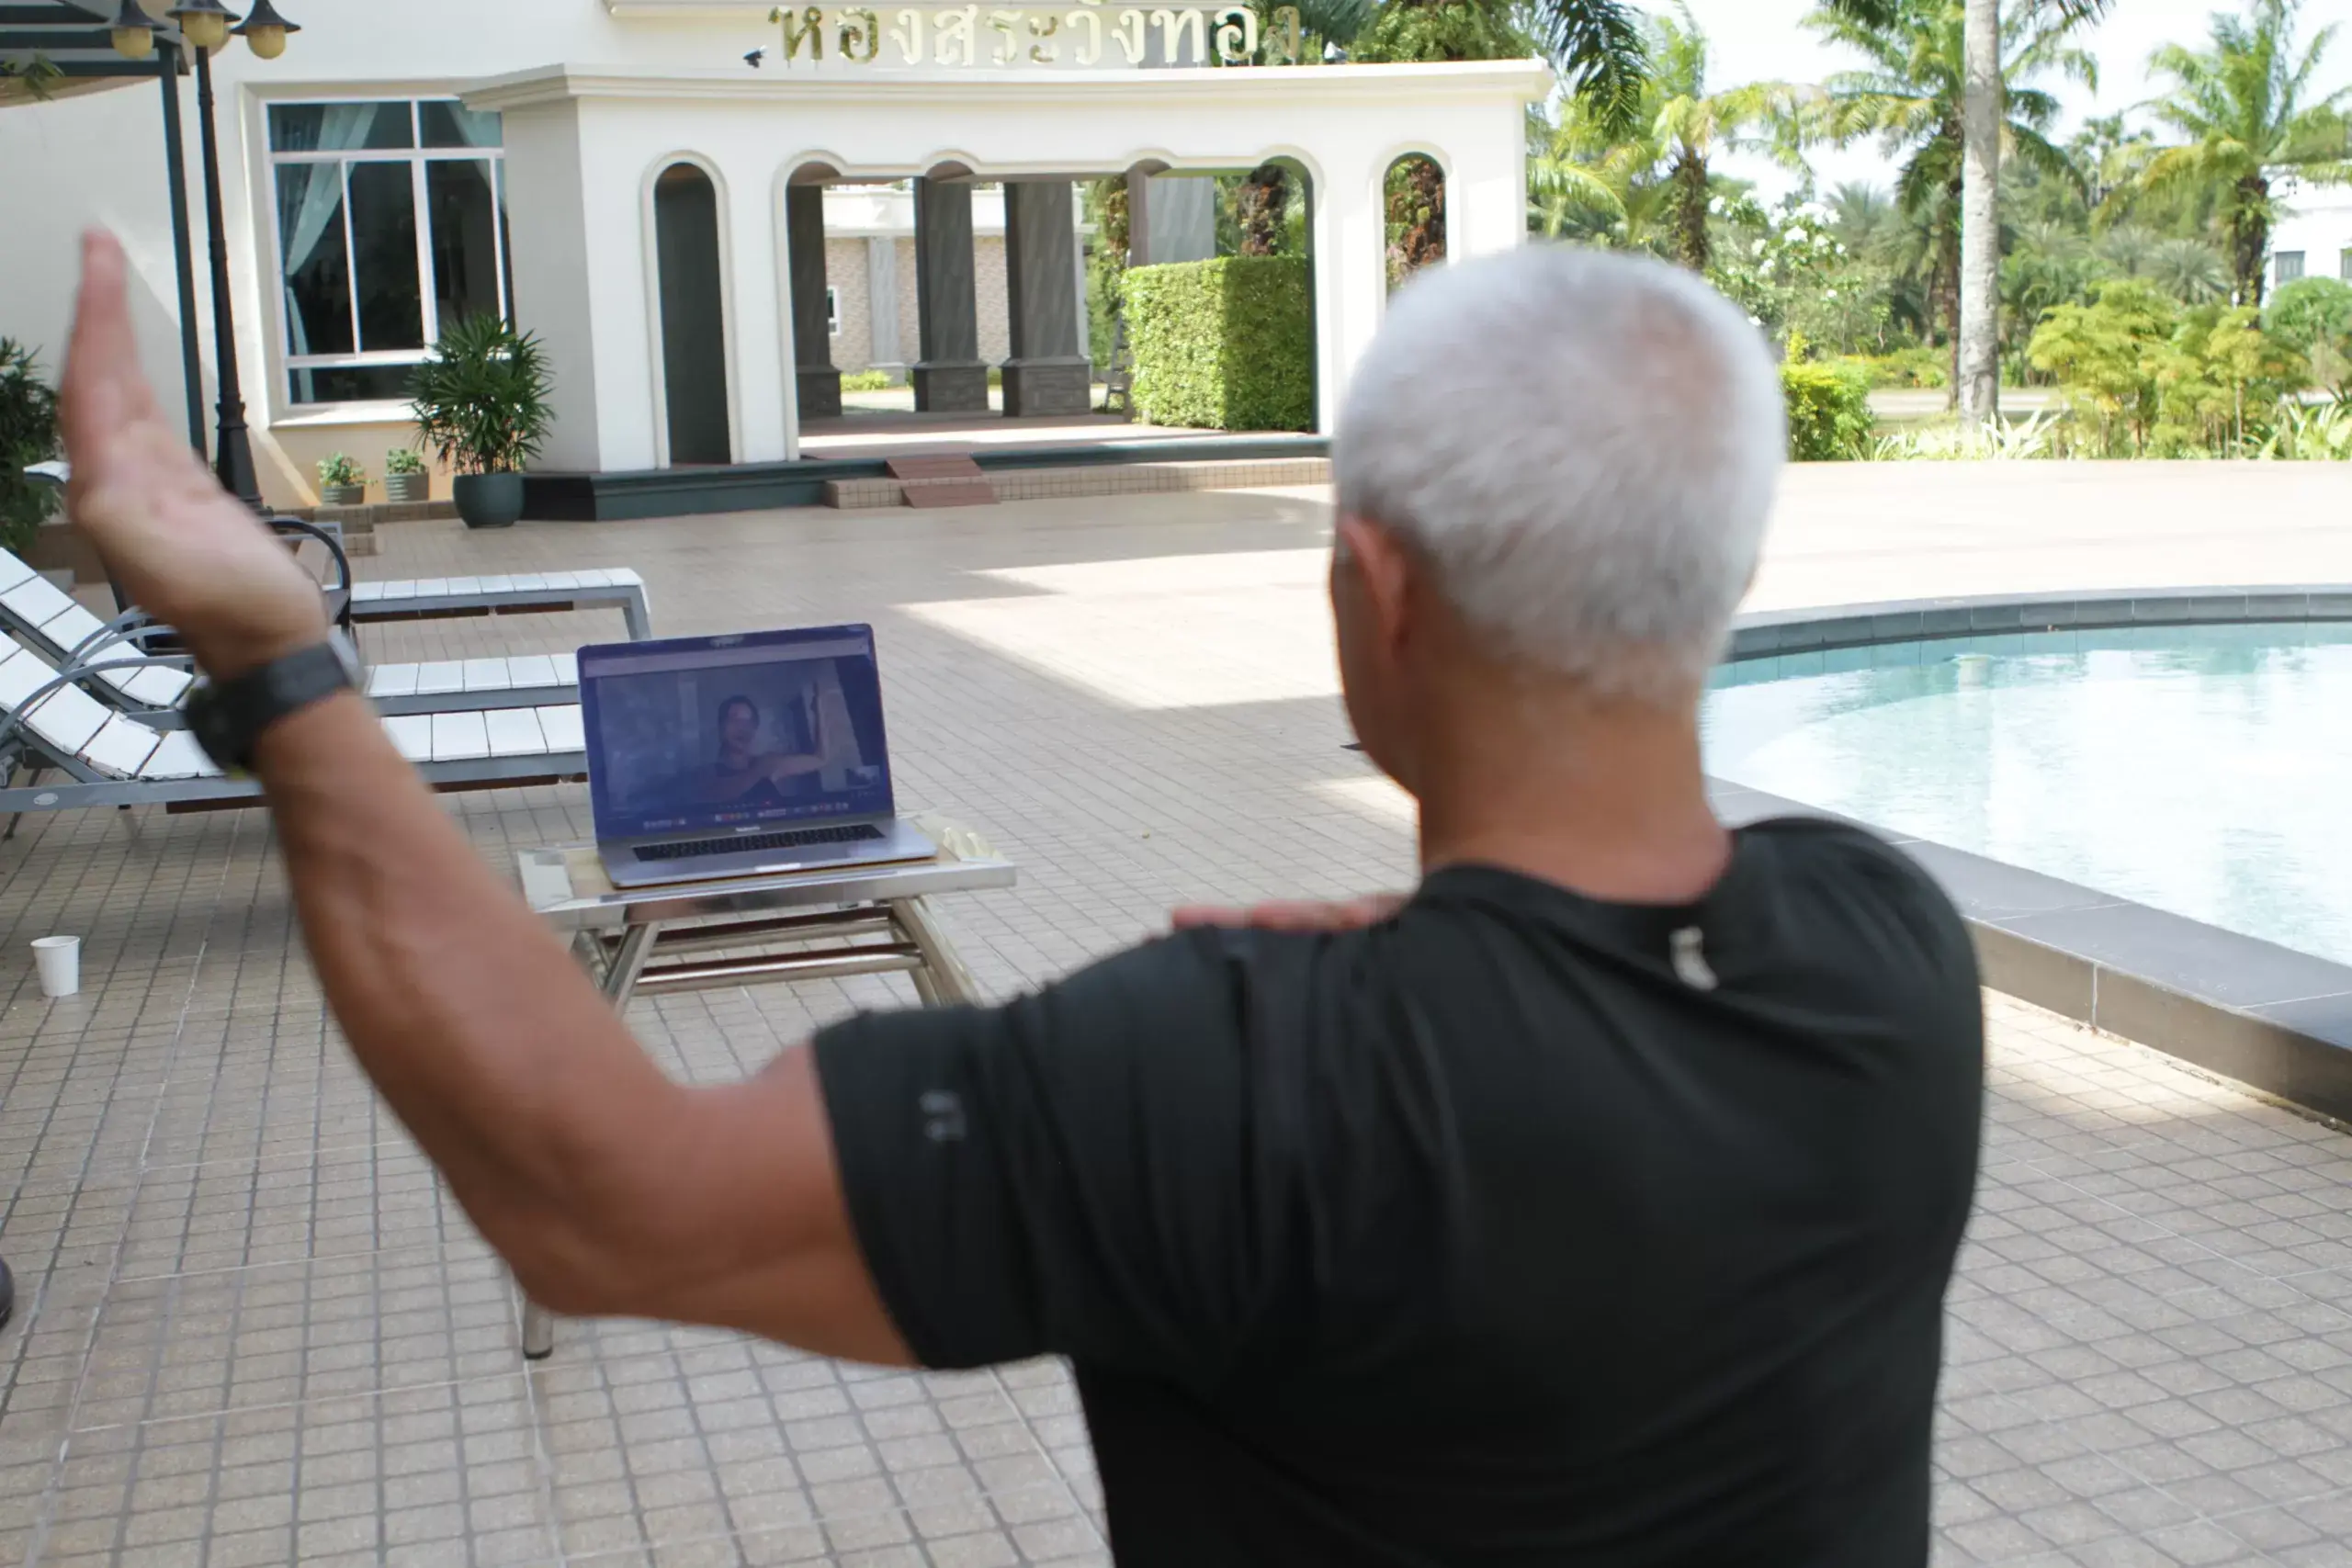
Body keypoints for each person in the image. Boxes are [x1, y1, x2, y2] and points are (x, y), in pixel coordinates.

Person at [57, 231, 1984, 1566]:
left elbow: (594, 1202)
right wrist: (1406, 986)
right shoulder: (1885, 958)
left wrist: (279, 662)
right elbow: (1581, 1064)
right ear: (1712, 580)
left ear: (1376, 589)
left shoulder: (1223, 1083)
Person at [696, 693, 822, 806]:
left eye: (748, 722)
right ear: (721, 727)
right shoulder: (705, 773)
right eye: (734, 720)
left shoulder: (765, 764)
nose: (742, 728)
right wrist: (758, 771)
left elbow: (820, 759)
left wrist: (819, 711)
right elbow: (716, 794)